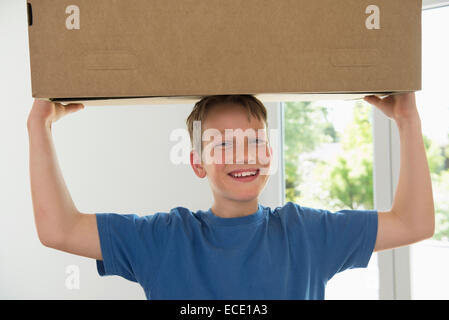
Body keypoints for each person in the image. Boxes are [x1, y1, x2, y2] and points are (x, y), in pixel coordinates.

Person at [27, 93, 435, 299]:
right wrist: (38, 128)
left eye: (254, 140)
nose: (242, 154)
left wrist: (406, 120)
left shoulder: (308, 233)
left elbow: (414, 223)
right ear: (197, 163)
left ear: (270, 154)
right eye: (222, 144)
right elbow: (58, 229)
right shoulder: (162, 239)